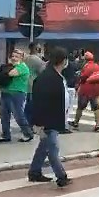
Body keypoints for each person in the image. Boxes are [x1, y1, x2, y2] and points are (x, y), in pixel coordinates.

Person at [28, 47, 72, 187]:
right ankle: (61, 176)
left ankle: (34, 172)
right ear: (63, 61)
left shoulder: (55, 76)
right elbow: (40, 102)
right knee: (52, 148)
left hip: (53, 119)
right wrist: (38, 122)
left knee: (44, 147)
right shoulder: (47, 78)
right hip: (48, 121)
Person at [0, 49, 35, 143]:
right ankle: (6, 135)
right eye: (12, 56)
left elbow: (10, 74)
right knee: (4, 115)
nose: (13, 58)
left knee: (18, 115)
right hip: (5, 92)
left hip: (17, 94)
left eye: (16, 56)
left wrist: (2, 71)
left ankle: (28, 134)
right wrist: (2, 72)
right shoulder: (10, 66)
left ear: (21, 58)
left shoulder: (22, 67)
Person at [69, 51, 99, 132]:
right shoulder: (97, 66)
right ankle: (97, 125)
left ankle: (76, 123)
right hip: (95, 90)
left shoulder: (86, 66)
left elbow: (83, 77)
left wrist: (79, 80)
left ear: (86, 59)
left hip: (85, 89)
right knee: (96, 107)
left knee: (80, 107)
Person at [23, 42, 46, 125]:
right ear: (36, 49)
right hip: (33, 86)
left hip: (24, 86)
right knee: (31, 109)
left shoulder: (25, 58)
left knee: (26, 108)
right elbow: (43, 72)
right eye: (39, 49)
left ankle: (25, 125)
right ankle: (28, 126)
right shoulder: (37, 60)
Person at [60, 52, 79, 134]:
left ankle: (64, 125)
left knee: (68, 108)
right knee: (65, 108)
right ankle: (63, 126)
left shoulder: (68, 66)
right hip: (65, 87)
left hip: (70, 88)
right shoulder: (68, 66)